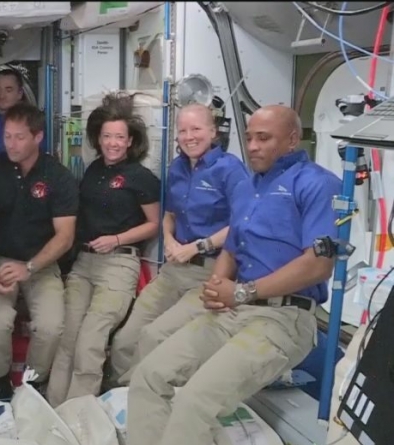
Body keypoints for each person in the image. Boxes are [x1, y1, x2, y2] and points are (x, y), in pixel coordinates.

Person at [127, 105, 341, 445]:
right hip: (235, 309)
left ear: (292, 140)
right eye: (249, 138)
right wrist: (217, 286)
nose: (253, 146)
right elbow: (233, 245)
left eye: (263, 138)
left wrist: (242, 292)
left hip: (283, 319)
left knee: (195, 402)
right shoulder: (248, 188)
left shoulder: (319, 184)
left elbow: (319, 264)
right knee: (149, 377)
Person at [108, 103, 249, 386]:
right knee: (124, 339)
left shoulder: (230, 170)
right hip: (174, 269)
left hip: (209, 273)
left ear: (212, 131)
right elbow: (170, 214)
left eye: (196, 129)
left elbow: (241, 225)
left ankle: (142, 397)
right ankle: (120, 395)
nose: (189, 137)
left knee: (155, 335)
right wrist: (170, 239)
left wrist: (198, 246)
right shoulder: (178, 167)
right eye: (182, 131)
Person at [46, 94, 161, 407]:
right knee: (67, 338)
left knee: (90, 342)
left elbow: (154, 224)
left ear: (130, 141)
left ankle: (78, 414)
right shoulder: (94, 170)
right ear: (98, 138)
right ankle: (54, 410)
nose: (113, 143)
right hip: (84, 264)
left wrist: (118, 239)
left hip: (118, 266)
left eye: (119, 137)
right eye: (107, 136)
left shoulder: (141, 177)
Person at [0, 103, 78, 399]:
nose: (11, 144)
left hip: (41, 262)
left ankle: (31, 382)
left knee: (51, 326)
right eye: (7, 136)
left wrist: (29, 267)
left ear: (38, 137)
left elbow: (65, 237)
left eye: (19, 137)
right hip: (1, 259)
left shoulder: (58, 176)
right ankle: (0, 381)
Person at [0, 69, 47, 169]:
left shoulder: (33, 119)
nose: (2, 96)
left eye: (8, 90)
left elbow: (35, 158)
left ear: (20, 93)